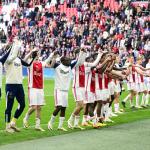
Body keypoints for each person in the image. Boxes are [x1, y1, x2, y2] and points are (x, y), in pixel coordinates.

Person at [4, 36, 37, 133]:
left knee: (22, 105)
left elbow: (28, 64)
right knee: (9, 107)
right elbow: (12, 57)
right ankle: (7, 126)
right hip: (10, 85)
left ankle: (13, 123)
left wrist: (33, 56)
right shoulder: (7, 60)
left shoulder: (18, 59)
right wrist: (16, 45)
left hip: (19, 85)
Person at [48, 49, 86, 131]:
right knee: (58, 107)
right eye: (68, 60)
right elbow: (50, 65)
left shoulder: (70, 67)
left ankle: (60, 126)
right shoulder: (57, 66)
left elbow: (79, 61)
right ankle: (51, 122)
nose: (69, 61)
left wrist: (82, 52)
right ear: (63, 61)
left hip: (65, 91)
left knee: (63, 108)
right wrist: (53, 56)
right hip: (58, 90)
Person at [23, 50, 58, 131]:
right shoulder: (30, 63)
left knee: (39, 107)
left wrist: (53, 55)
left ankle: (37, 126)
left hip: (40, 88)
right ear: (35, 55)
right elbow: (24, 60)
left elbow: (49, 61)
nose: (39, 54)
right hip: (32, 88)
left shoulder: (41, 63)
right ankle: (26, 118)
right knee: (34, 107)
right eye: (38, 53)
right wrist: (31, 52)